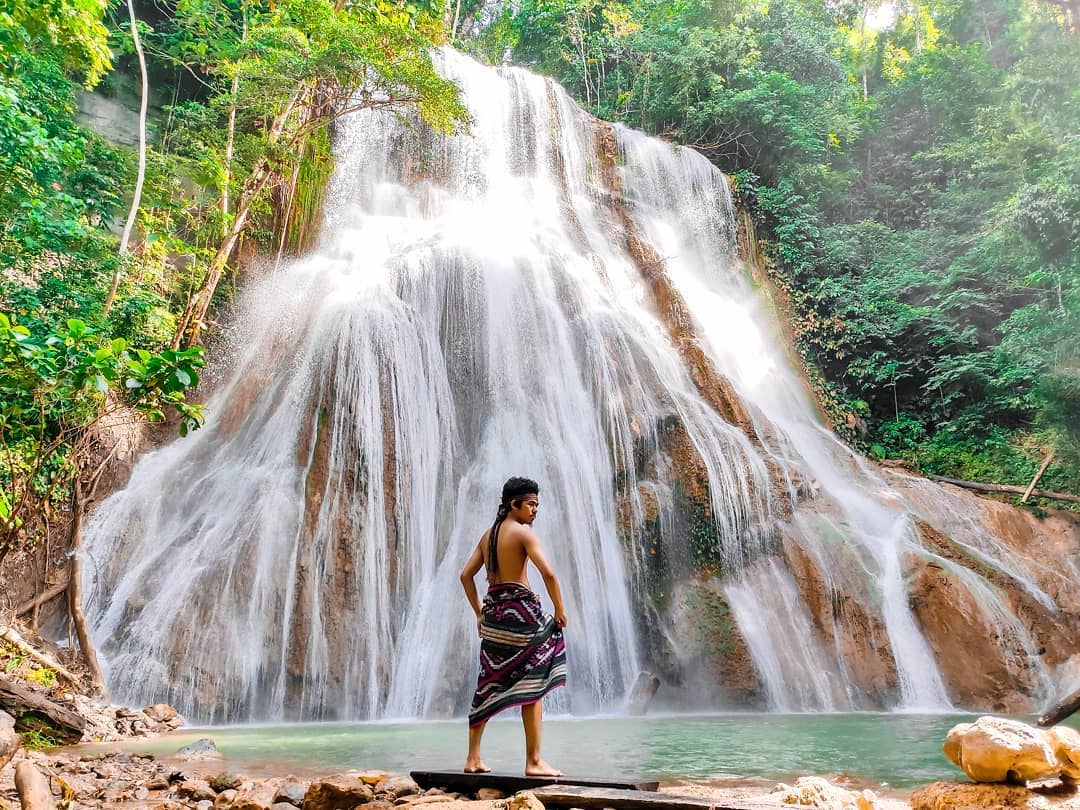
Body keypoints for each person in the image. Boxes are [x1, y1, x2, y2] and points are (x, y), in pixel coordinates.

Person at [459, 476, 568, 777]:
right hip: (521, 614)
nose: (535, 510)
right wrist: (559, 609)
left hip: (494, 617)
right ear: (513, 504)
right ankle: (533, 761)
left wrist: (479, 614)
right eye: (531, 504)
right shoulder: (522, 534)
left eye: (537, 505)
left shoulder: (487, 536)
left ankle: (472, 758)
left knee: (487, 683)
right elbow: (549, 574)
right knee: (535, 680)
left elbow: (465, 576)